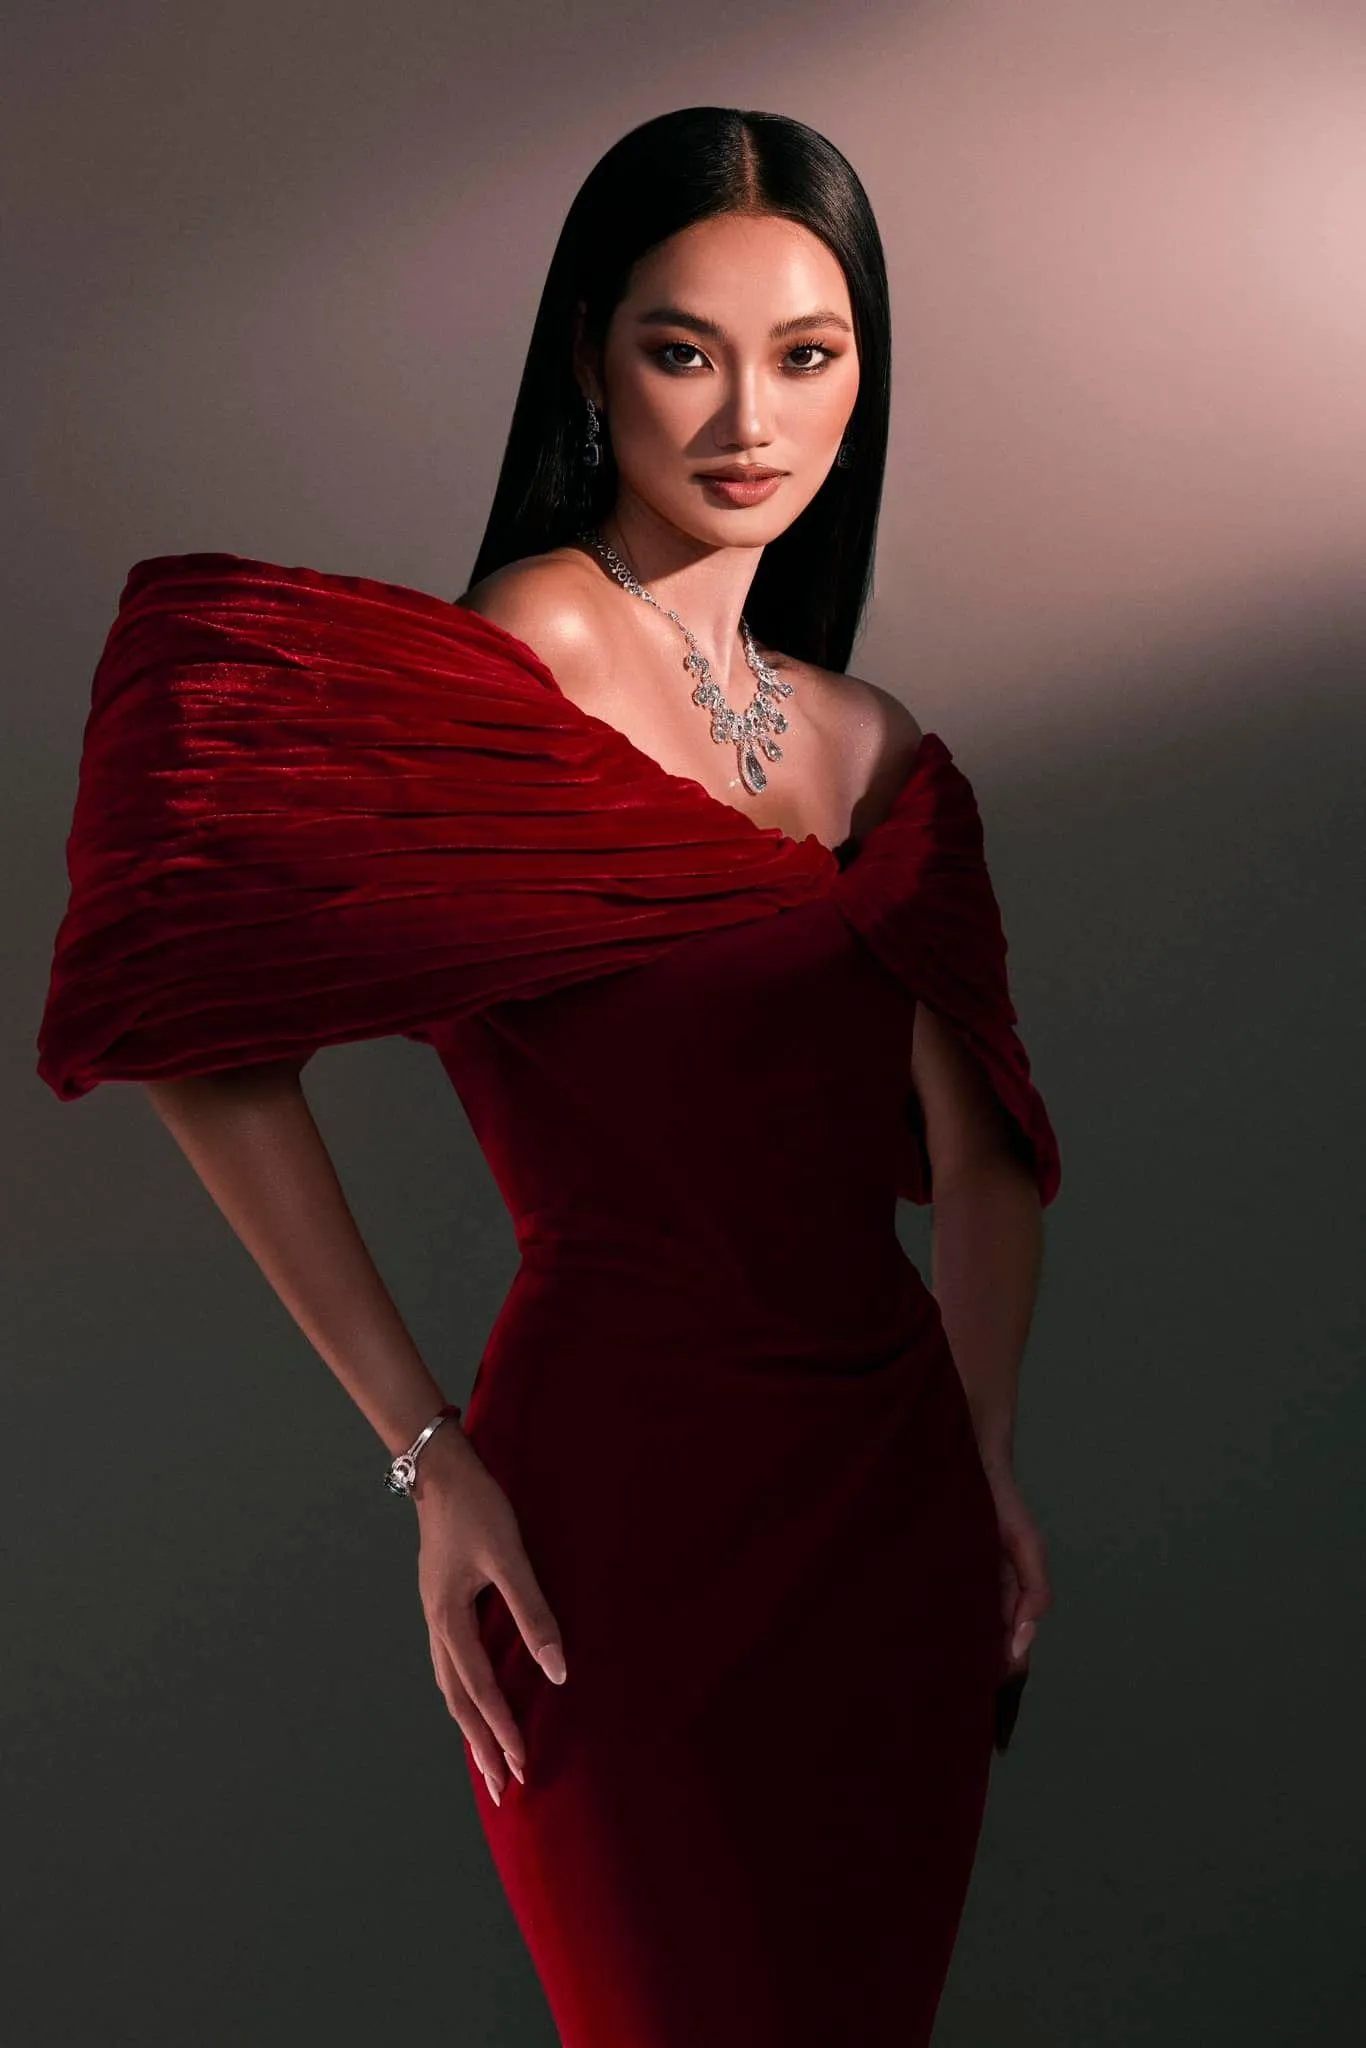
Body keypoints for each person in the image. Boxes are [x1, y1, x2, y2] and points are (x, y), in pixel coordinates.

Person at [36, 106, 1061, 2048]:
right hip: (617, 1538)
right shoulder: (525, 654)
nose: (747, 413)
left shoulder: (874, 741)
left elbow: (984, 1153)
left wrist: (986, 1459)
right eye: (684, 348)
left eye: (807, 354)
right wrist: (428, 1454)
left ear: (863, 382)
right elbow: (201, 1026)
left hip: (890, 1529)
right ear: (591, 361)